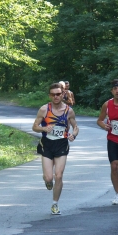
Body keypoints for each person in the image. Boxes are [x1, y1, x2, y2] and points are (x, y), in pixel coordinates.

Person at [32, 82, 79, 215]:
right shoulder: (44, 109)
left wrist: (73, 135)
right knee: (48, 178)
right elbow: (34, 127)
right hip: (47, 144)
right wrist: (43, 128)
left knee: (58, 175)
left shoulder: (68, 111)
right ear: (50, 96)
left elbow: (76, 127)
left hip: (61, 145)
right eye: (53, 94)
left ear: (63, 94)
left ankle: (55, 204)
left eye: (58, 94)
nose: (56, 97)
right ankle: (48, 182)